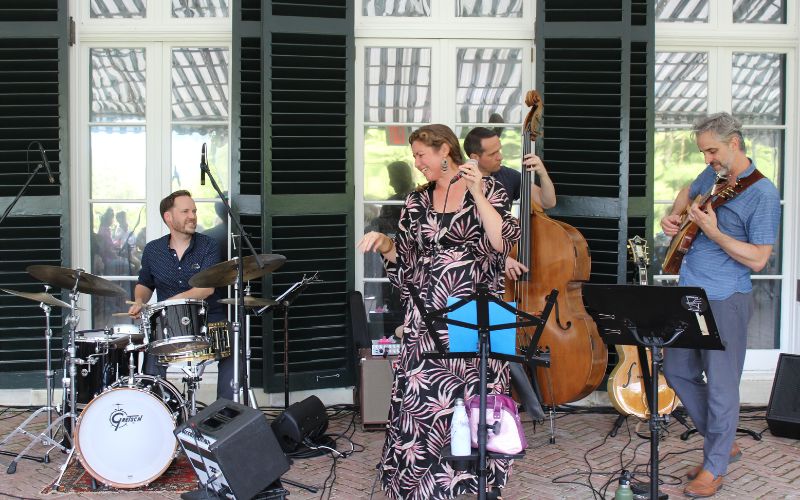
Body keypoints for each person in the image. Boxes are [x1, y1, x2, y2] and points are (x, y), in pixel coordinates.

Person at [358, 124, 520, 499]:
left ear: (444, 150)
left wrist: (478, 191)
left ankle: (475, 483)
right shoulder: (417, 201)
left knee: (476, 398)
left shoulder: (491, 189)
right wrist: (386, 245)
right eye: (414, 156)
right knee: (421, 400)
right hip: (428, 317)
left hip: (476, 312)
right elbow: (408, 267)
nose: (416, 163)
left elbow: (502, 243)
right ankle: (421, 484)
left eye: (421, 155)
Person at [660, 112, 780, 498]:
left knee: (721, 387)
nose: (707, 158)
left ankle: (715, 467)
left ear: (735, 143)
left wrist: (714, 232)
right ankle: (722, 442)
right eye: (703, 151)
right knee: (677, 371)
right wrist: (676, 214)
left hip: (726, 297)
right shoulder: (713, 177)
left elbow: (759, 259)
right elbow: (686, 190)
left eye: (712, 151)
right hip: (689, 294)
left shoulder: (762, 194)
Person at [128, 190, 235, 400]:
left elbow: (206, 289)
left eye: (194, 211)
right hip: (168, 325)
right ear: (169, 217)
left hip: (209, 320)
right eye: (185, 211)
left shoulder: (209, 245)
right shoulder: (153, 250)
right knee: (152, 355)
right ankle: (157, 408)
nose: (193, 216)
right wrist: (140, 300)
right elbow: (144, 284)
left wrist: (165, 303)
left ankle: (226, 412)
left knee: (232, 347)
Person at [464, 126, 557, 280]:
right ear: (475, 157)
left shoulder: (507, 175)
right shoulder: (459, 183)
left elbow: (547, 202)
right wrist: (501, 258)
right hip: (469, 271)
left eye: (499, 150)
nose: (500, 157)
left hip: (500, 270)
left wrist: (542, 173)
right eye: (493, 154)